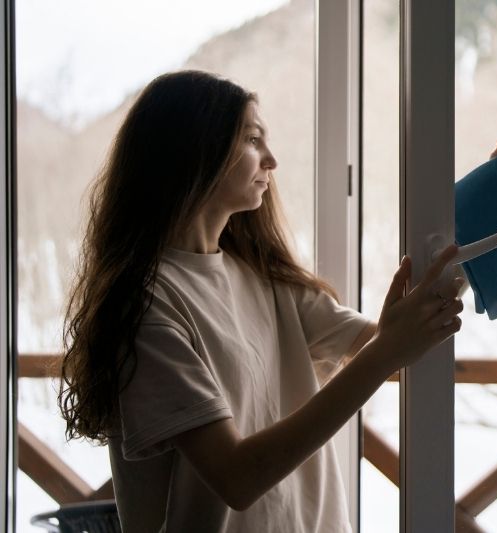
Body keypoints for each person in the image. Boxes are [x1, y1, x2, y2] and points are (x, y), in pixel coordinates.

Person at [58, 70, 465, 533]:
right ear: (193, 152)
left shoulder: (263, 277)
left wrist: (485, 220)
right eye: (253, 140)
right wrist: (387, 350)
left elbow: (398, 350)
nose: (270, 160)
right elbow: (236, 477)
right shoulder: (147, 306)